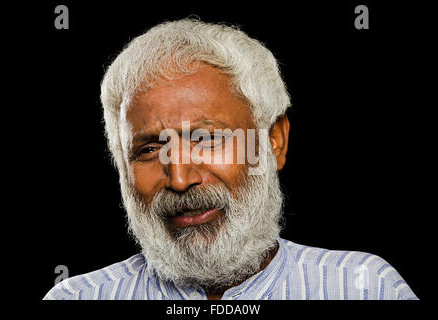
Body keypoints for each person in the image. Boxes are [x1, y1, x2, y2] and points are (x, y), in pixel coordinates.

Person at [44, 18, 418, 300]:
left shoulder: (365, 288)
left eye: (207, 139)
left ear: (274, 141)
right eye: (149, 149)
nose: (179, 178)